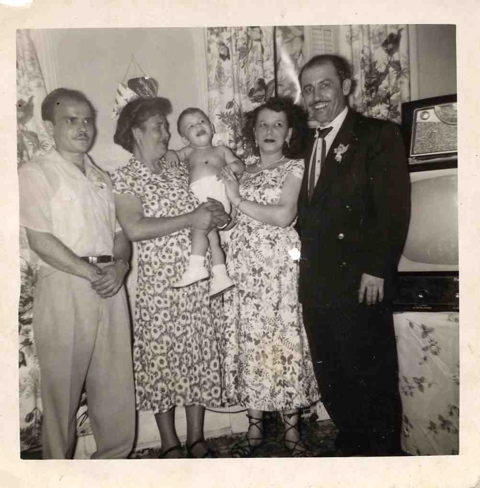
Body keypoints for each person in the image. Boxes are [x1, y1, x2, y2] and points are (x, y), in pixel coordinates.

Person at [297, 54, 411, 456]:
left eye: (324, 85)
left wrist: (377, 268)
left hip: (361, 279)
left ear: (346, 86)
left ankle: (382, 458)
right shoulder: (303, 141)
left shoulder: (377, 135)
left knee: (371, 374)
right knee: (332, 373)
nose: (315, 96)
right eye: (307, 88)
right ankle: (352, 445)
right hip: (316, 281)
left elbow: (393, 208)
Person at [18, 88, 135, 459]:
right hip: (64, 283)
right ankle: (57, 473)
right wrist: (89, 271)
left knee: (116, 387)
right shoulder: (35, 173)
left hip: (110, 283)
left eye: (87, 120)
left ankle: (111, 468)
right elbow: (40, 240)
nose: (83, 127)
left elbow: (120, 234)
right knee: (62, 394)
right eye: (71, 120)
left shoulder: (102, 176)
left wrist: (121, 266)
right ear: (48, 126)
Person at [110, 97, 230, 459]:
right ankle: (169, 443)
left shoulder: (178, 169)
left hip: (196, 278)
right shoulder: (125, 177)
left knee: (197, 355)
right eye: (158, 127)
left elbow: (206, 211)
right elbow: (134, 227)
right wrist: (191, 218)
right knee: (161, 359)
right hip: (160, 285)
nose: (166, 132)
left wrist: (217, 214)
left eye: (166, 126)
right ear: (136, 132)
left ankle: (196, 438)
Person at [218, 97, 320, 457]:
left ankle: (292, 434)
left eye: (278, 124)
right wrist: (222, 216)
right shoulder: (243, 171)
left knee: (282, 341)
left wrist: (236, 200)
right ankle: (254, 431)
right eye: (263, 124)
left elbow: (283, 216)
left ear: (289, 132)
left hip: (278, 268)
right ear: (253, 131)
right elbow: (235, 219)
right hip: (244, 267)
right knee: (252, 342)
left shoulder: (295, 166)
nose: (270, 130)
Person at [172, 108, 244, 296]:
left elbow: (239, 165)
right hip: (201, 200)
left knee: (198, 230)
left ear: (212, 127)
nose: (198, 126)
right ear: (184, 139)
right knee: (213, 240)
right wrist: (171, 154)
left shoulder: (221, 150)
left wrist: (230, 168)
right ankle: (221, 276)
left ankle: (195, 267)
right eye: (190, 126)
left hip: (216, 195)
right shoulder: (188, 151)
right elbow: (172, 155)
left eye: (201, 121)